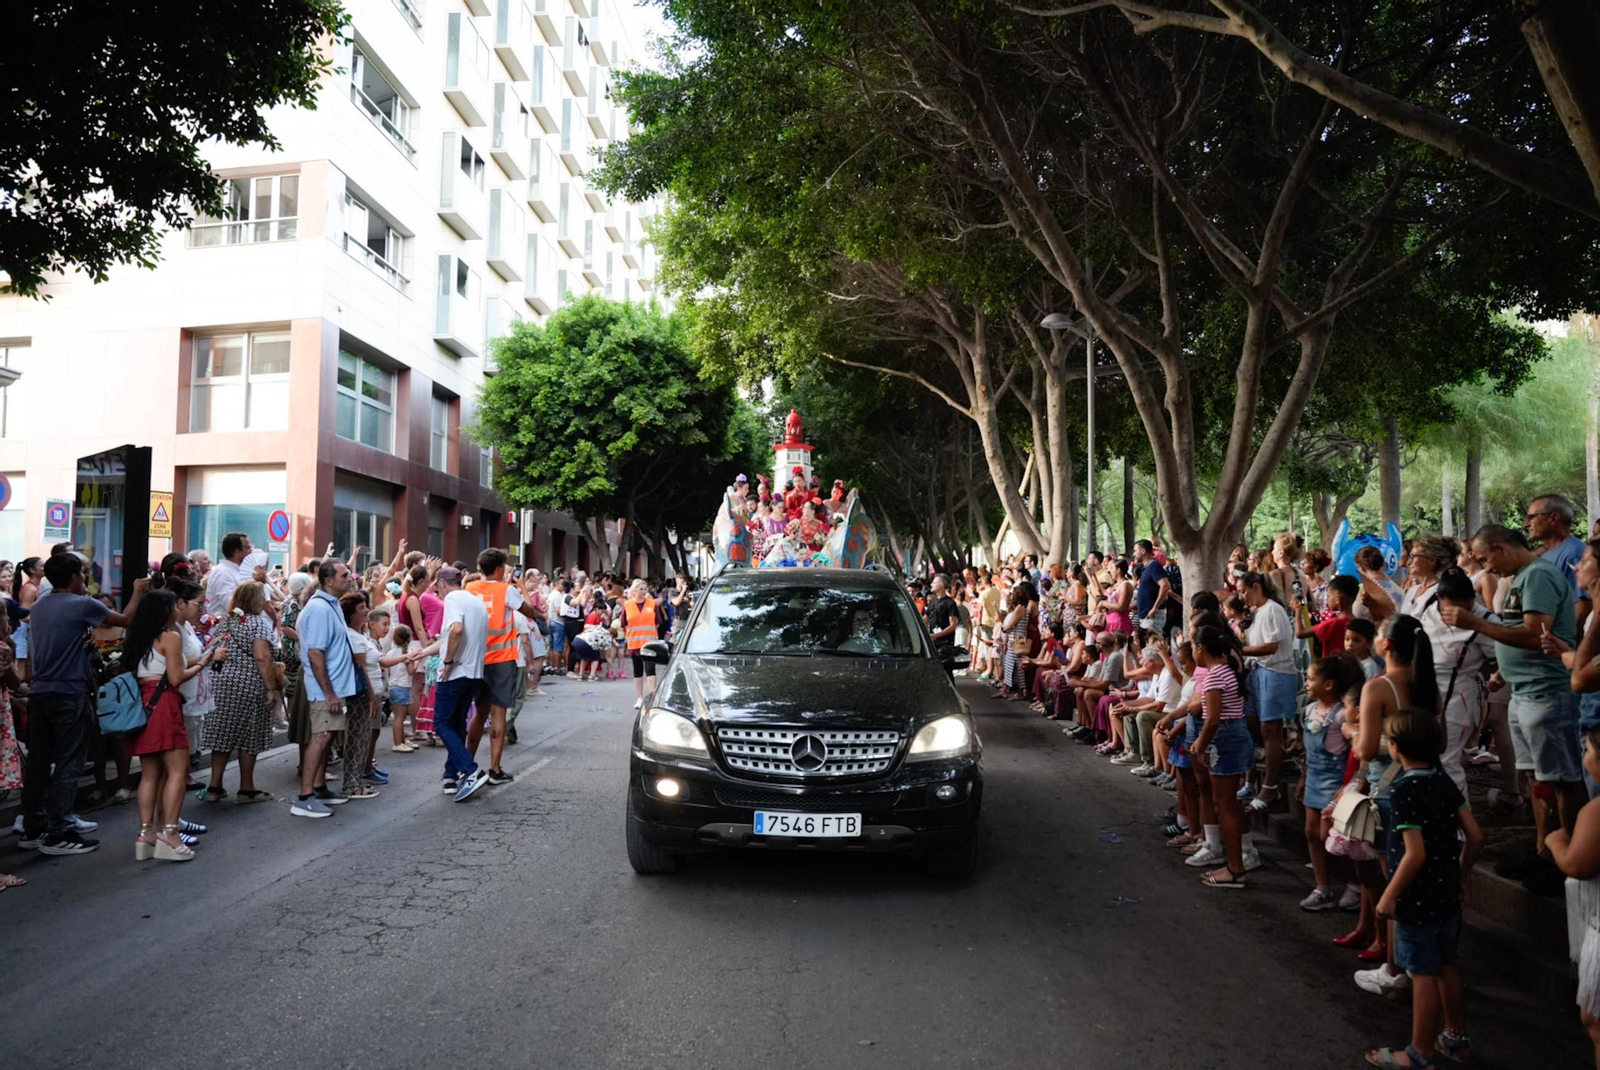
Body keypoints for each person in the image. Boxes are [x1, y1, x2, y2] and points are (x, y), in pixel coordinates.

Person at [1443, 523, 1582, 894]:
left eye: (1487, 558)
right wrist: (1505, 670)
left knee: (1559, 780)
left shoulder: (1537, 576)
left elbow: (1535, 633)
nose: (1487, 568)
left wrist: (1475, 622)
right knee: (1538, 780)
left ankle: (1566, 854)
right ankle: (1543, 849)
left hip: (1547, 693)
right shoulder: (1523, 577)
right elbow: (1519, 629)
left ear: (1502, 548)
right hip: (1525, 690)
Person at [1364, 708, 1484, 1070]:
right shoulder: (1444, 781)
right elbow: (1476, 836)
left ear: (1395, 748)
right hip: (1447, 891)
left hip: (1416, 896)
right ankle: (1455, 1039)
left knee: (1421, 973)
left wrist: (1388, 896)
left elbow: (1414, 854)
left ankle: (1419, 1052)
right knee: (1447, 964)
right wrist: (1459, 874)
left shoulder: (1404, 790)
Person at [17, 556, 148, 855]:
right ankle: (59, 831)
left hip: (41, 691)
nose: (85, 578)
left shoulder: (40, 606)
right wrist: (138, 591)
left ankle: (33, 826)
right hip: (68, 691)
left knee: (39, 760)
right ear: (75, 577)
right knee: (69, 760)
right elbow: (125, 620)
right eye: (83, 573)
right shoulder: (81, 604)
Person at [1352, 614, 1440, 1000]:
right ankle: (1405, 963)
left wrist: (1350, 732)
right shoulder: (1426, 684)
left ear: (1385, 644)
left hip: (1389, 789)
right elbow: (1442, 738)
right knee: (1411, 875)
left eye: (1380, 630)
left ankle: (1394, 968)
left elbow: (1367, 749)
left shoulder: (1378, 687)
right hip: (1427, 783)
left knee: (1394, 877)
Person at [408, 566, 492, 802]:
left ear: (443, 584)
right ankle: (450, 774)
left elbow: (456, 630)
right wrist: (423, 653)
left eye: (437, 587)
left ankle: (470, 770)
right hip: (473, 673)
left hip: (457, 671)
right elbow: (448, 638)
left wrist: (447, 661)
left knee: (442, 723)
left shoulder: (454, 599)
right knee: (455, 724)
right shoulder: (473, 601)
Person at [1548, 725, 1600, 1068]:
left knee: (1596, 1020)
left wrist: (1555, 841)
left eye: (1588, 751)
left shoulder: (1596, 811)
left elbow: (1576, 864)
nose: (1585, 758)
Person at [292, 559, 361, 818]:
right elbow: (315, 653)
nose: (349, 578)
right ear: (329, 581)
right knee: (320, 738)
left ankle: (319, 788)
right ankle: (304, 797)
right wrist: (329, 692)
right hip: (326, 690)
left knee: (328, 736)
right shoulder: (320, 609)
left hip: (335, 687)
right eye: (344, 575)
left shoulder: (329, 605)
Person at [1297, 653, 1365, 912]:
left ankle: (1354, 885)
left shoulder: (1341, 715)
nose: (1306, 682)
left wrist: (1347, 787)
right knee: (1312, 834)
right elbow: (1308, 749)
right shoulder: (1309, 710)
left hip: (1335, 782)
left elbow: (1352, 754)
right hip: (1314, 777)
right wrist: (1304, 776)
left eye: (1312, 678)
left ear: (1329, 685)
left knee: (1334, 838)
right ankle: (1322, 887)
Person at [202, 581, 280, 803]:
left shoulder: (227, 620)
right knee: (249, 735)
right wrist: (271, 689)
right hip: (248, 684)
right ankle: (247, 788)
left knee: (223, 734)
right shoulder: (257, 624)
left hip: (221, 683)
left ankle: (214, 786)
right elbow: (262, 658)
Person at [1190, 624, 1255, 888]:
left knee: (1225, 804)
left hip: (1225, 738)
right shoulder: (1226, 671)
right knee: (1229, 803)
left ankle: (1235, 868)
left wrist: (1200, 744)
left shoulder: (1216, 676)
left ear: (1201, 649)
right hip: (1232, 737)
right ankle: (1238, 861)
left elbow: (1213, 719)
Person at [465, 548, 533, 786]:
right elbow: (527, 610)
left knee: (479, 712)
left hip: (476, 660)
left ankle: (467, 767)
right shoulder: (507, 590)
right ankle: (494, 769)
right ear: (499, 569)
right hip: (501, 660)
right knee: (498, 714)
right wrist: (539, 614)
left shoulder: (469, 589)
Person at [1238, 571, 1297, 812]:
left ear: (1255, 586)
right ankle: (1255, 776)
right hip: (1258, 672)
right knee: (1254, 724)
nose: (1242, 597)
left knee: (1270, 728)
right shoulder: (1257, 612)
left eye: (1243, 591)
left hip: (1276, 672)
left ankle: (1270, 787)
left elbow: (1272, 646)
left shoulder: (1273, 609)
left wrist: (1243, 649)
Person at [1526, 492, 1592, 633]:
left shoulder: (1574, 553)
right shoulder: (1547, 555)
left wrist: (1562, 642)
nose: (1527, 524)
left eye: (1531, 517)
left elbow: (1583, 606)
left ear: (1554, 518)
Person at [623, 579, 661, 709]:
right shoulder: (627, 605)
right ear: (634, 591)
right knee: (637, 671)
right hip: (634, 643)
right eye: (641, 589)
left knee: (650, 670)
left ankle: (652, 697)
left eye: (645, 589)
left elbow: (658, 621)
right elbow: (624, 623)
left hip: (649, 643)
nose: (644, 592)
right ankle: (639, 698)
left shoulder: (652, 604)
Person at [204, 531, 258, 621]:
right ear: (237, 551)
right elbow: (230, 605)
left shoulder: (238, 570)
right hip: (224, 629)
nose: (251, 551)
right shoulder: (222, 572)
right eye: (248, 548)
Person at [1132, 540, 1172, 637]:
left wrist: (1155, 608)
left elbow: (1165, 585)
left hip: (1153, 617)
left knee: (1154, 645)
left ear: (1143, 551)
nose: (1134, 554)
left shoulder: (1154, 566)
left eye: (1135, 550)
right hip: (1146, 616)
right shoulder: (1146, 568)